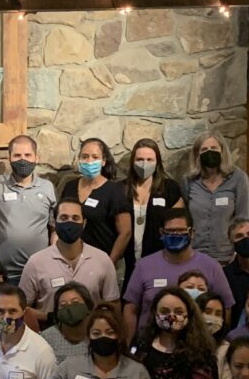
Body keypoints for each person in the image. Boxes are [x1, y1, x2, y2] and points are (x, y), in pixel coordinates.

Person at [124, 209, 234, 334]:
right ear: (161, 232)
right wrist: (128, 344)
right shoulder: (143, 266)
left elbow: (226, 308)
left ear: (191, 233)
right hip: (149, 344)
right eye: (170, 231)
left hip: (197, 343)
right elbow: (131, 309)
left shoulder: (211, 266)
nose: (175, 234)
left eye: (181, 230)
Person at [18, 198, 120, 322]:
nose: (70, 223)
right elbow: (22, 308)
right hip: (48, 334)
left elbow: (113, 305)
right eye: (64, 218)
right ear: (55, 222)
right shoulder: (36, 262)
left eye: (75, 218)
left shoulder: (102, 260)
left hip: (91, 335)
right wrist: (51, 318)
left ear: (84, 223)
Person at [0, 134, 57, 285]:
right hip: (2, 274)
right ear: (9, 158)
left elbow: (54, 227)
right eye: (17, 155)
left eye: (27, 155)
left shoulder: (47, 187)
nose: (22, 159)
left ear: (36, 158)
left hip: (39, 272)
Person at [60, 138, 132, 268]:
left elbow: (125, 232)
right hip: (70, 261)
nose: (89, 161)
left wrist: (110, 263)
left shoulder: (114, 191)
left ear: (103, 161)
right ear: (79, 159)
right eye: (85, 157)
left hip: (101, 262)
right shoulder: (69, 187)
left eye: (95, 157)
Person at [123, 137, 184, 288]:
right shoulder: (121, 189)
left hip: (160, 261)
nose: (144, 164)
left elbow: (179, 225)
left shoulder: (170, 188)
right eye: (140, 159)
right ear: (132, 161)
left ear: (157, 162)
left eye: (150, 159)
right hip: (126, 264)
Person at [181, 133, 249, 262]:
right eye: (204, 150)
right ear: (197, 155)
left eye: (214, 148)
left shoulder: (238, 178)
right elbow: (183, 217)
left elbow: (243, 219)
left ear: (222, 151)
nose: (210, 152)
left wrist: (238, 252)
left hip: (227, 256)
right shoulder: (189, 180)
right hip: (194, 256)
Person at [0, 285, 56, 379]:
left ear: (24, 312)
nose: (6, 317)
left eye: (12, 311)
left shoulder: (42, 350)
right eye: (1, 311)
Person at [39, 282, 95, 365]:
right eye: (63, 305)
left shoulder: (98, 334)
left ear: (88, 306)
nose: (69, 308)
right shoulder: (45, 338)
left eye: (75, 303)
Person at [197, 291, 231, 379]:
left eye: (218, 314)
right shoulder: (181, 343)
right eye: (207, 312)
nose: (212, 317)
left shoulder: (225, 349)